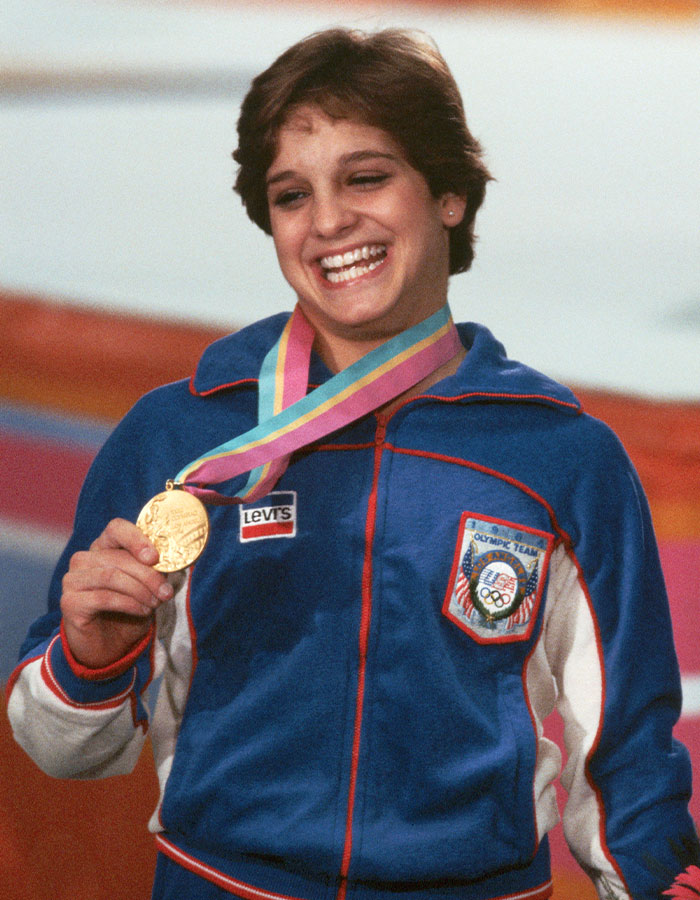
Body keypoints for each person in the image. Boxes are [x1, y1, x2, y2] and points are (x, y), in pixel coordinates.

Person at [6, 27, 697, 900]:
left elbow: (627, 764)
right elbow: (63, 748)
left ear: (448, 193)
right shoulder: (183, 441)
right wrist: (91, 652)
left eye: (366, 177)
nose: (329, 222)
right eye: (292, 195)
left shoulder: (559, 457)